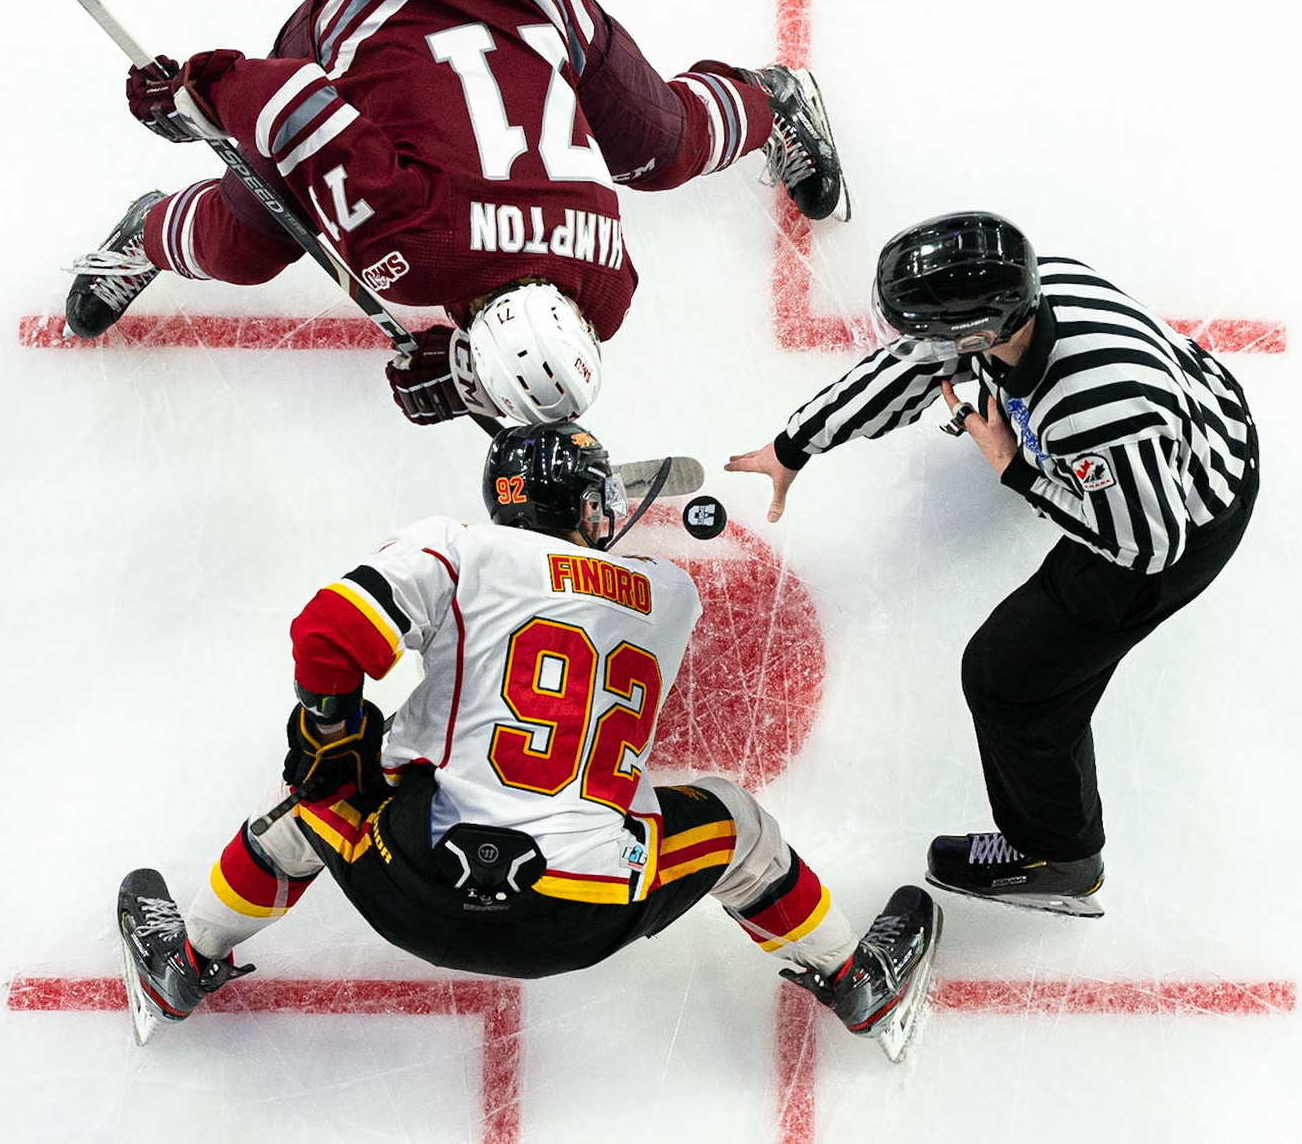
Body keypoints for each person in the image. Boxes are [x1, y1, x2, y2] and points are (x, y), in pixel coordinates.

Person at [116, 422, 940, 1061]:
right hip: (581, 916)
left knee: (317, 796)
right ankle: (853, 977)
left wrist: (333, 734)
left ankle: (185, 959)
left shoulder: (463, 546)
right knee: (736, 826)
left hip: (418, 892)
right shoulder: (668, 593)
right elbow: (574, 585)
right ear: (588, 507)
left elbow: (330, 633)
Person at [65, 0, 849, 426]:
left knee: (659, 148)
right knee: (258, 236)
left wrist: (465, 356)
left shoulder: (609, 292)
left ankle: (773, 101)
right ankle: (149, 230)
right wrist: (198, 91)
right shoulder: (408, 244)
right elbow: (291, 103)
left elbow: (495, 250)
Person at [726, 212, 1259, 917]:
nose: (916, 347)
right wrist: (796, 443)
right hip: (1186, 431)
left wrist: (1013, 467)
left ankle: (1062, 859)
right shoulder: (1036, 290)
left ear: (984, 332)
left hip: (1175, 522)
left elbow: (1146, 548)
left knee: (1007, 681)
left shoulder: (1095, 415)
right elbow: (912, 370)